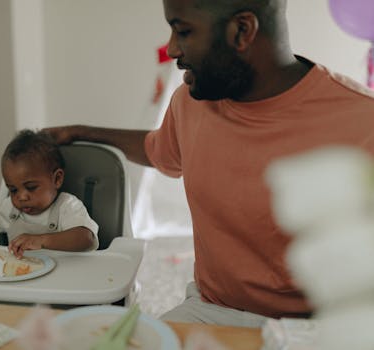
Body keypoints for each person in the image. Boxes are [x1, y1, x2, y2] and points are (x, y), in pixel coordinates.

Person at [43, 0, 374, 327]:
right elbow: (158, 149)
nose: (172, 49)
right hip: (211, 309)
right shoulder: (190, 103)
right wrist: (81, 132)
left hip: (316, 326)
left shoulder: (362, 123)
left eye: (183, 31)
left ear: (242, 30)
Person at [0, 130, 99, 255]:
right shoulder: (10, 208)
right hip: (20, 279)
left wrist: (41, 240)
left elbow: (86, 239)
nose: (21, 196)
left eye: (31, 187)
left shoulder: (67, 206)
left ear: (57, 179)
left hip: (61, 281)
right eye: (13, 190)